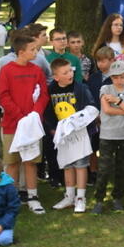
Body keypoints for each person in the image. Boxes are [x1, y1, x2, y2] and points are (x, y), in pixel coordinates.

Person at [0, 32, 49, 213]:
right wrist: (20, 116)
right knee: (12, 162)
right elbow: (3, 96)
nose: (35, 52)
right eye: (32, 49)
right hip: (12, 124)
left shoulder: (36, 70)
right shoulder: (7, 70)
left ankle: (32, 196)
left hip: (32, 124)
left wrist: (34, 114)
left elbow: (43, 94)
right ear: (20, 52)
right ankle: (11, 197)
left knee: (31, 161)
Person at [45, 58, 95, 213]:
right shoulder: (51, 90)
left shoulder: (80, 88)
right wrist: (53, 129)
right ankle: (69, 195)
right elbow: (47, 112)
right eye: (65, 72)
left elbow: (91, 107)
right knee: (67, 165)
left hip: (79, 133)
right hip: (62, 135)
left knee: (80, 165)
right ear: (56, 77)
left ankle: (80, 197)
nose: (70, 74)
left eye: (70, 70)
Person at [92, 60, 124, 213]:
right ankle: (99, 199)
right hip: (107, 135)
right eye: (115, 77)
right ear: (111, 77)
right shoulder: (105, 88)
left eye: (122, 77)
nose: (118, 80)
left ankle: (118, 198)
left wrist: (117, 101)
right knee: (104, 169)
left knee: (123, 169)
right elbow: (107, 110)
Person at [92, 13, 124, 87]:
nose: (119, 27)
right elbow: (98, 67)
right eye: (116, 25)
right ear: (109, 26)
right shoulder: (102, 45)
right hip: (106, 85)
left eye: (121, 25)